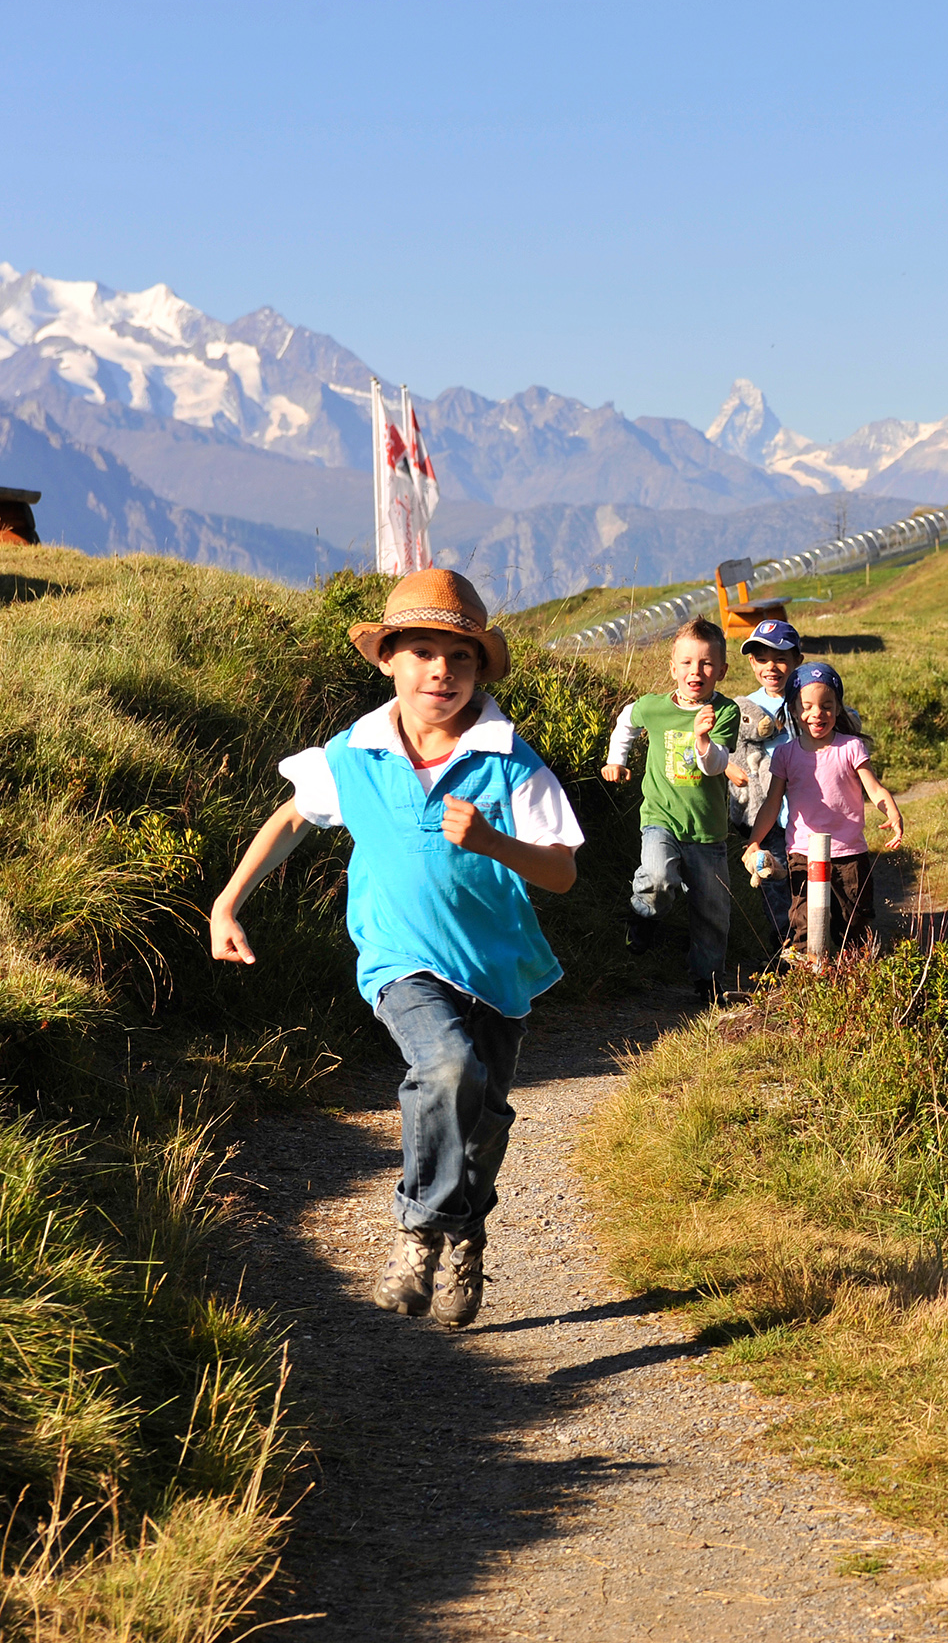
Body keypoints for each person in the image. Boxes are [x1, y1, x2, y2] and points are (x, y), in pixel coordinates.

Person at [209, 569, 583, 1328]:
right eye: (420, 652)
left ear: (479, 669)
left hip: (496, 971)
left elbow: (563, 871)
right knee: (445, 1067)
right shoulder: (356, 753)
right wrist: (227, 902)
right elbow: (292, 820)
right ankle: (417, 1235)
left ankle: (467, 1229)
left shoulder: (512, 760)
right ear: (387, 661)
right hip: (399, 961)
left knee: (480, 1121)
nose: (440, 670)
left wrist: (492, 841)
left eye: (460, 656)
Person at [601, 619, 742, 992]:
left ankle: (707, 981)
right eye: (687, 662)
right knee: (659, 878)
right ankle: (643, 915)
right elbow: (626, 721)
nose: (696, 671)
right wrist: (618, 759)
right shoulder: (655, 707)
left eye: (707, 663)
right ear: (673, 668)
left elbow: (715, 767)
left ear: (722, 671)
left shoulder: (725, 713)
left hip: (708, 831)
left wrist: (702, 738)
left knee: (713, 913)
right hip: (660, 819)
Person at [746, 662, 903, 964]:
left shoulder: (851, 747)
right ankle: (808, 985)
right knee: (804, 924)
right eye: (807, 706)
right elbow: (771, 803)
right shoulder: (786, 754)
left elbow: (875, 788)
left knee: (852, 927)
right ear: (792, 709)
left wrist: (892, 812)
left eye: (827, 706)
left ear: (838, 708)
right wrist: (755, 841)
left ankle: (852, 986)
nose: (817, 713)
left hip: (849, 856)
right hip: (802, 855)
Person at [725, 618, 802, 945]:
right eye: (762, 658)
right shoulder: (744, 707)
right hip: (764, 812)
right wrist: (728, 767)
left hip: (805, 807)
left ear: (798, 660)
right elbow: (724, 747)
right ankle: (785, 944)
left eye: (782, 657)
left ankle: (817, 941)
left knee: (805, 874)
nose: (772, 666)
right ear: (752, 662)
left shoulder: (806, 699)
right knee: (772, 875)